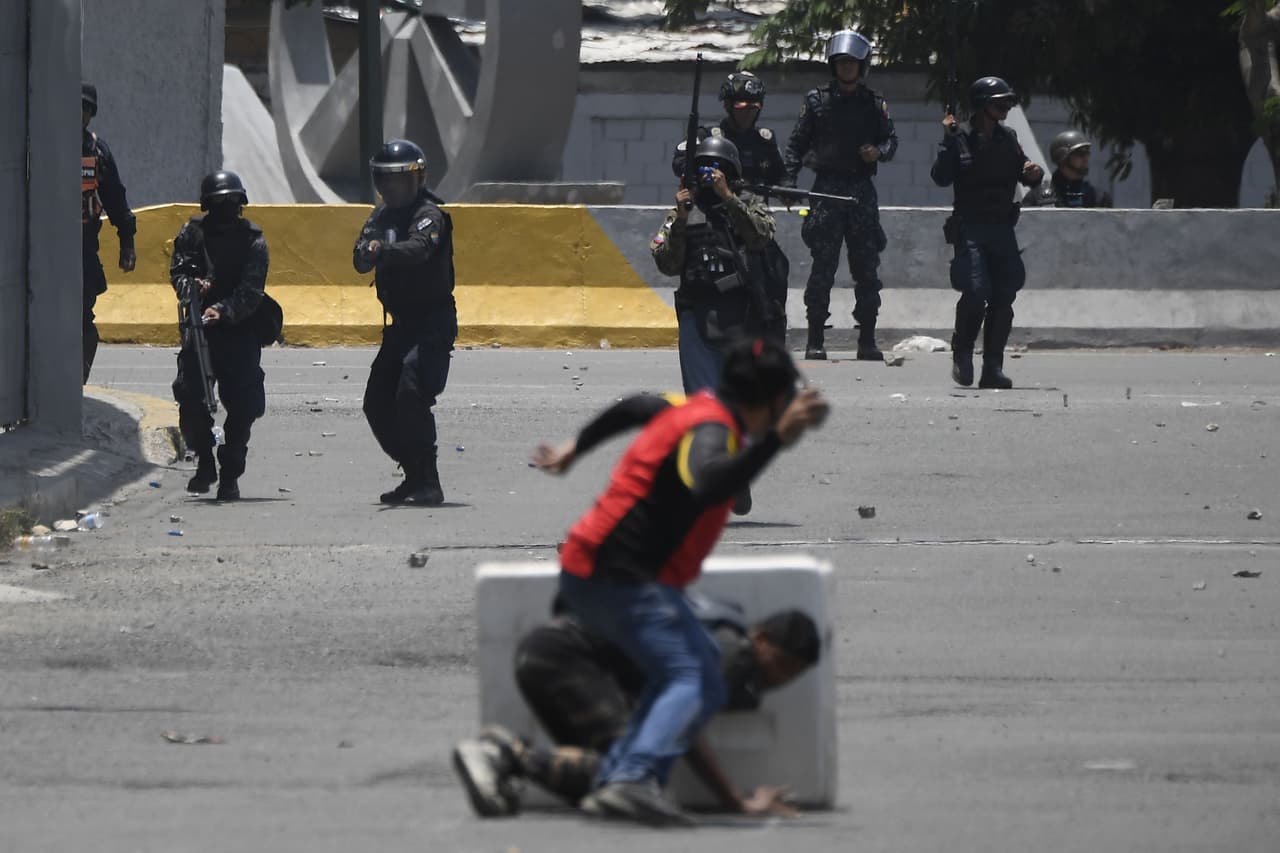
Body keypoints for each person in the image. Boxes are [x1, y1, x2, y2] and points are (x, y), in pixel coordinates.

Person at [514, 337, 829, 826]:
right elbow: (708, 483)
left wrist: (577, 447)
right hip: (617, 575)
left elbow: (637, 406)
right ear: (767, 403)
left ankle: (619, 779)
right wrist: (774, 442)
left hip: (603, 566)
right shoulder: (713, 430)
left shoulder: (695, 406)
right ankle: (632, 780)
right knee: (690, 675)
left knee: (700, 667)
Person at [450, 596, 821, 819]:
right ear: (760, 638)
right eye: (783, 663)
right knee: (631, 778)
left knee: (617, 790)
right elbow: (684, 727)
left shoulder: (731, 658)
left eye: (793, 675)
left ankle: (508, 763)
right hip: (566, 653)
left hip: (552, 652)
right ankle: (502, 753)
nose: (781, 678)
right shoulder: (730, 652)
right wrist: (735, 800)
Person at [782, 31, 898, 362]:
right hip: (826, 188)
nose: (847, 69)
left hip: (861, 190)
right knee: (823, 266)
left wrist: (878, 152)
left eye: (852, 64)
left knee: (866, 267)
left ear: (861, 67)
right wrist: (790, 182)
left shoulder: (874, 103)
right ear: (834, 66)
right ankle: (815, 337)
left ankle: (867, 339)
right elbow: (796, 145)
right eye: (841, 63)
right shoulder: (817, 101)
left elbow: (891, 140)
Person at [353, 139, 457, 506]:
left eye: (398, 180)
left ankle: (429, 480)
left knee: (411, 392)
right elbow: (360, 258)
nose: (390, 188)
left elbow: (420, 249)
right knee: (376, 403)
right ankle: (412, 473)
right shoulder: (379, 218)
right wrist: (368, 252)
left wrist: (384, 251)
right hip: (400, 325)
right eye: (385, 180)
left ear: (416, 179)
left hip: (432, 321)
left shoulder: (430, 215)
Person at [931, 77, 1044, 390]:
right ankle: (962, 352)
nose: (1005, 107)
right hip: (971, 227)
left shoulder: (1007, 137)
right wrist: (948, 142)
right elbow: (940, 178)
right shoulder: (960, 137)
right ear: (982, 105)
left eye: (1007, 102)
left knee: (1004, 294)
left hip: (1002, 228)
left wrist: (1034, 173)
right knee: (977, 290)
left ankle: (992, 366)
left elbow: (1027, 171)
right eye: (999, 102)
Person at [670, 71, 791, 345]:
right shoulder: (709, 137)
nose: (747, 112)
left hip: (748, 221)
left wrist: (784, 191)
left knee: (775, 269)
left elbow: (781, 175)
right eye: (740, 106)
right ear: (727, 105)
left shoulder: (764, 140)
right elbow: (680, 162)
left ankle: (771, 336)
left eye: (754, 106)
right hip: (711, 220)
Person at [169, 171, 269, 501]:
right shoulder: (192, 232)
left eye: (231, 201)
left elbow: (252, 291)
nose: (225, 208)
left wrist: (222, 310)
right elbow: (179, 272)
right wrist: (193, 289)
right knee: (190, 398)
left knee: (243, 407)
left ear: (240, 203)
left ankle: (230, 471)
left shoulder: (253, 240)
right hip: (200, 332)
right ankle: (205, 462)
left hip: (239, 331)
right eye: (219, 202)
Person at [652, 136, 775, 398]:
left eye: (716, 170)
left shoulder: (747, 202)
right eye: (704, 170)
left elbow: (760, 236)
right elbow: (667, 264)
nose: (710, 177)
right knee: (702, 399)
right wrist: (682, 221)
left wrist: (728, 198)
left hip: (742, 311)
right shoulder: (682, 213)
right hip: (696, 311)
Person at [81, 82, 136, 383]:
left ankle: (77, 383)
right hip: (42, 251)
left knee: (82, 319)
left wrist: (127, 242)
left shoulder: (96, 151)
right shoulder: (43, 145)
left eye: (85, 108)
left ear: (91, 114)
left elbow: (115, 198)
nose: (78, 113)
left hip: (82, 250)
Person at [1023, 130, 1113, 208]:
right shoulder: (1038, 197)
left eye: (1087, 153)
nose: (1086, 159)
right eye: (1080, 154)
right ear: (1062, 157)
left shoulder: (1099, 197)